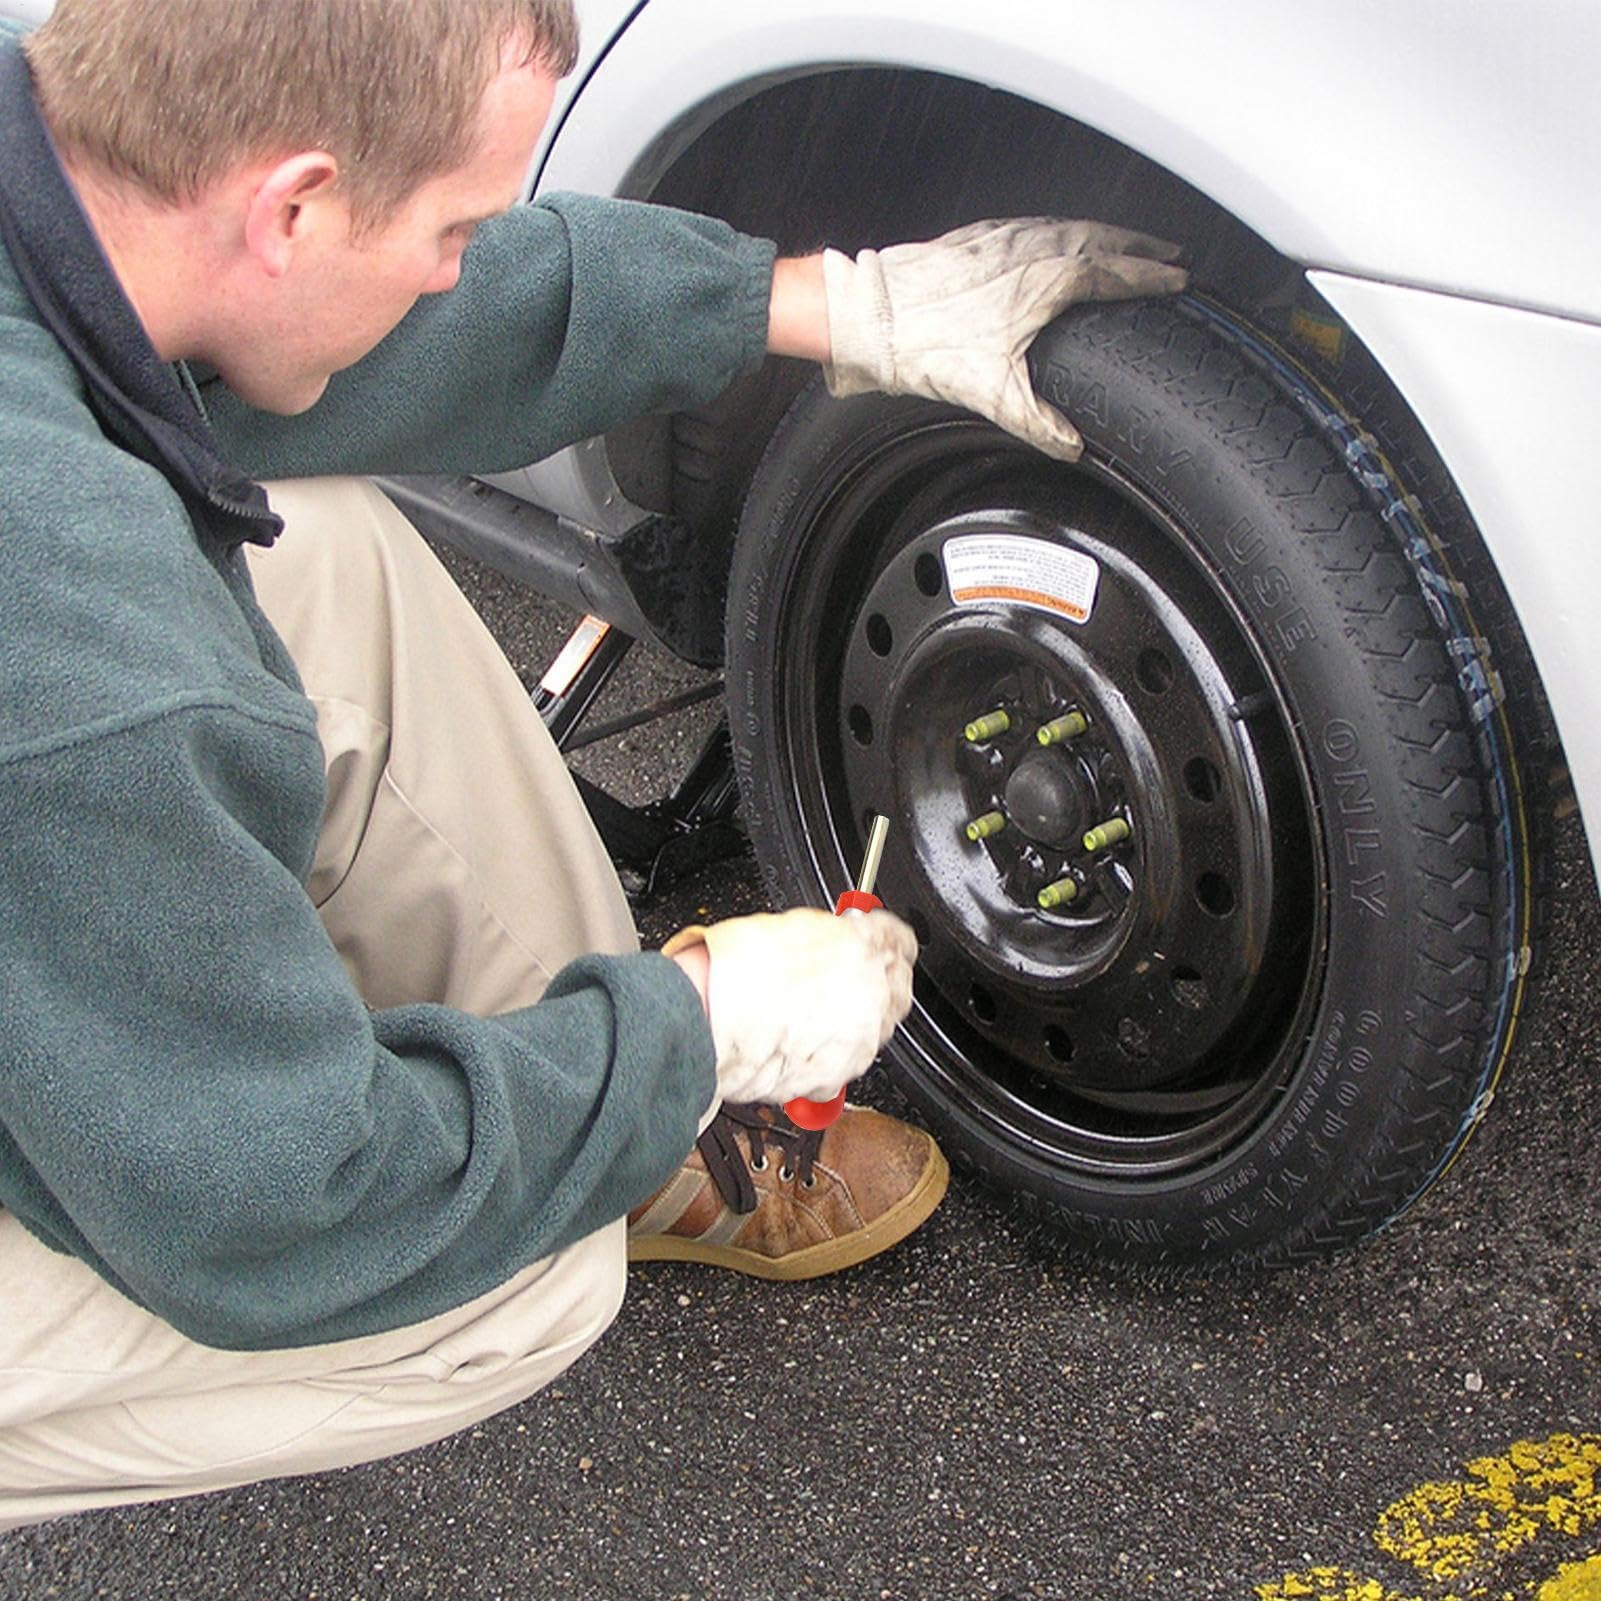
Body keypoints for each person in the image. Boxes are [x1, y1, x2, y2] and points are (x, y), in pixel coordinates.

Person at [0, 0, 1186, 1529]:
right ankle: (558, 1132)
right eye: (447, 229)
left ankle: (577, 1116)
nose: (456, 269)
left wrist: (823, 302)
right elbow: (280, 1216)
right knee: (503, 1290)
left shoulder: (74, 195)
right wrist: (689, 1030)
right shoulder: (83, 655)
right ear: (289, 207)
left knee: (325, 545)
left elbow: (372, 324)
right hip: (240, 1174)